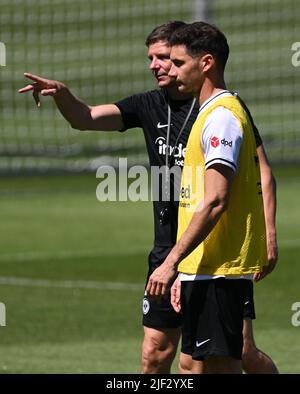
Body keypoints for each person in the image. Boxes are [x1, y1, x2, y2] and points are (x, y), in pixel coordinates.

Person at [18, 21, 278, 374]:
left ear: (188, 60)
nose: (156, 65)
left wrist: (268, 236)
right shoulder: (149, 105)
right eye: (152, 58)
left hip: (213, 251)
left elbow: (257, 173)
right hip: (169, 250)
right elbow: (86, 118)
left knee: (222, 357)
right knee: (155, 354)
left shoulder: (221, 114)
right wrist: (62, 93)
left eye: (165, 58)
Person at [146, 21, 278, 374]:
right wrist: (186, 272)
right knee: (197, 368)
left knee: (221, 368)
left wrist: (172, 261)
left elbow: (216, 200)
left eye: (178, 63)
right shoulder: (210, 114)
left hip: (220, 274)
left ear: (206, 63)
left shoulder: (221, 118)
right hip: (203, 272)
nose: (170, 72)